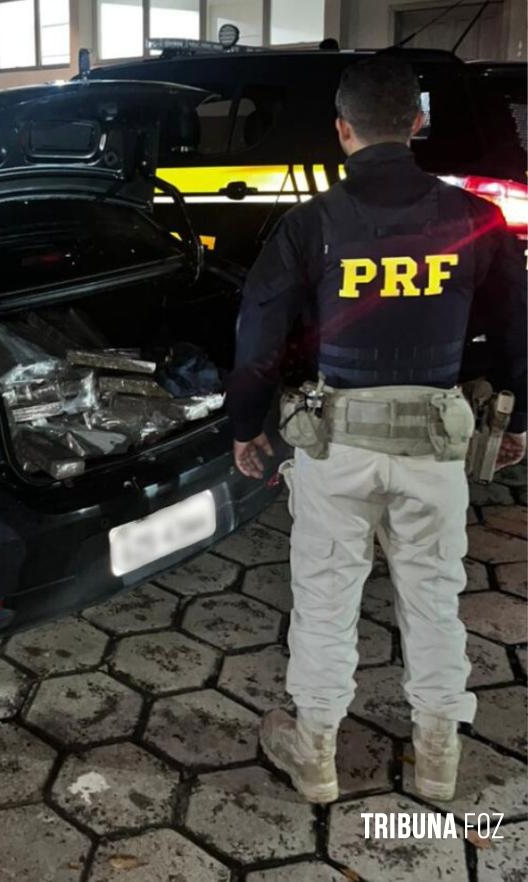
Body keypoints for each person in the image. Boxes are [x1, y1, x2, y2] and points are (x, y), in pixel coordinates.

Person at [226, 54, 527, 804]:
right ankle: (438, 759)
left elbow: (258, 334)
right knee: (434, 600)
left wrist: (245, 425)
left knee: (326, 600)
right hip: (435, 447)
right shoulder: (477, 219)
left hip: (338, 446)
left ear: (342, 129)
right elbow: (520, 330)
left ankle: (316, 755)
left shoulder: (309, 224)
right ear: (418, 124)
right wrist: (520, 417)